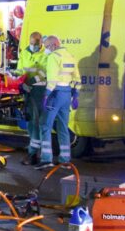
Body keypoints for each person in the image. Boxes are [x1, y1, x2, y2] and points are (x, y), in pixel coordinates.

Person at [36, 34, 77, 169]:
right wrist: (76, 95)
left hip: (55, 94)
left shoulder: (53, 57)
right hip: (67, 94)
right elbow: (77, 78)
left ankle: (46, 159)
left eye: (47, 46)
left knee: (45, 126)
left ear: (54, 45)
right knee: (63, 127)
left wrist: (46, 95)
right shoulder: (70, 56)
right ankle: (65, 160)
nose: (46, 49)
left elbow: (52, 80)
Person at [10, 31, 46, 166]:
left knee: (38, 122)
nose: (34, 46)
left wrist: (30, 82)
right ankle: (34, 152)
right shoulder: (24, 53)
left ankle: (35, 154)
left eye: (37, 44)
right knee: (31, 121)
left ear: (41, 42)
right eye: (32, 43)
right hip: (27, 90)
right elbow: (21, 70)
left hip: (39, 90)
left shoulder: (45, 54)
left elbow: (44, 73)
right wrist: (14, 75)